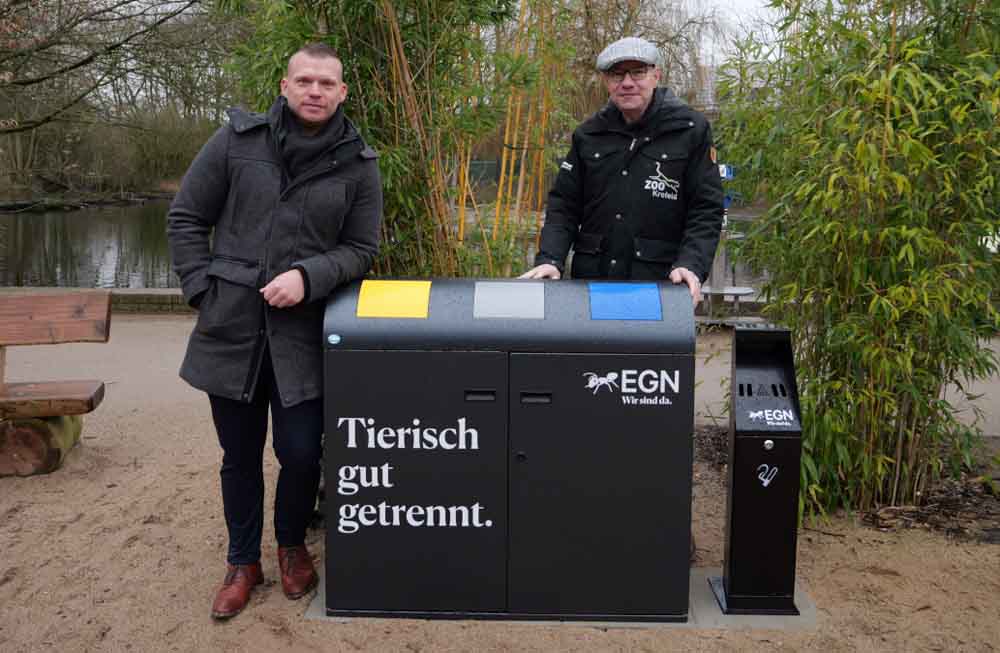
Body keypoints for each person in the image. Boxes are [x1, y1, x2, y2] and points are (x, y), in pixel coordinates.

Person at [167, 43, 382, 620]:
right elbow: (187, 217)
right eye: (305, 80)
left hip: (304, 333)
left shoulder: (359, 163)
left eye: (327, 83)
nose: (315, 91)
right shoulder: (236, 142)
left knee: (301, 452)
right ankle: (243, 562)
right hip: (231, 325)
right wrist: (200, 291)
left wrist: (308, 277)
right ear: (285, 85)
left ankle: (290, 547)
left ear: (342, 92)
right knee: (237, 455)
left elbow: (362, 248)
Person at [520, 36, 723, 305]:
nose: (627, 82)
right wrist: (551, 259)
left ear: (656, 75)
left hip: (661, 289)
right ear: (606, 81)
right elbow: (564, 207)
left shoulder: (689, 130)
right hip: (591, 287)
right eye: (617, 74)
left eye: (638, 72)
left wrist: (691, 264)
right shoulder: (588, 135)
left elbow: (706, 209)